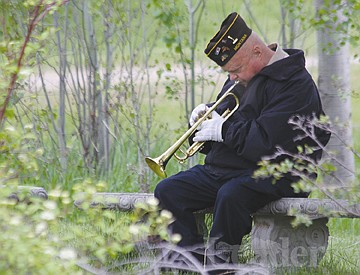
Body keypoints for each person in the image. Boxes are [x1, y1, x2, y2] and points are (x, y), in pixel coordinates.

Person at [154, 11, 330, 268]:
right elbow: (226, 123)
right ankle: (189, 264)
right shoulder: (241, 77)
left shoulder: (294, 83)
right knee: (168, 191)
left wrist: (223, 131)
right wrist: (200, 124)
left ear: (257, 52)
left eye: (235, 69)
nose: (232, 77)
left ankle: (220, 267)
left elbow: (269, 145)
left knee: (231, 195)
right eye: (228, 72)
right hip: (230, 169)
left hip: (279, 174)